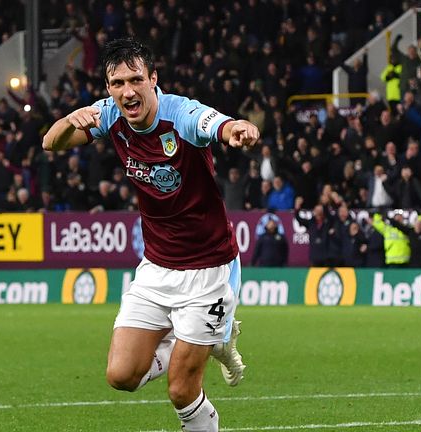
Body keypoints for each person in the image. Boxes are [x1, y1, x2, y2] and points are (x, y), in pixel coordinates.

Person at [42, 38, 258, 431]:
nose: (127, 91)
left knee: (181, 389)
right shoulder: (108, 115)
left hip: (209, 270)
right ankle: (197, 340)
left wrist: (235, 129)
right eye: (117, 83)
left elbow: (215, 124)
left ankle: (206, 340)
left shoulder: (182, 115)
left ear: (153, 79)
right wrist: (69, 120)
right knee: (121, 375)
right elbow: (50, 143)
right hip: (157, 268)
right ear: (108, 88)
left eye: (136, 79)